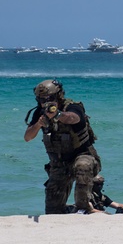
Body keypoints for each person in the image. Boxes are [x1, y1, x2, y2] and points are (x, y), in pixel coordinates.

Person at [23, 79, 104, 214]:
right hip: (59, 163)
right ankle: (71, 210)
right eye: (41, 100)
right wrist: (38, 124)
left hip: (83, 155)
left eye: (49, 99)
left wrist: (58, 114)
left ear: (59, 96)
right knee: (53, 210)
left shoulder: (72, 107)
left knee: (82, 165)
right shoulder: (39, 112)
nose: (45, 103)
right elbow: (27, 137)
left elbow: (74, 118)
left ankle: (85, 207)